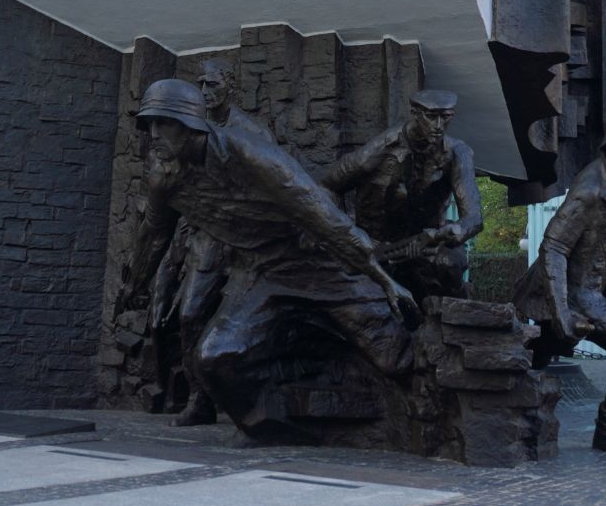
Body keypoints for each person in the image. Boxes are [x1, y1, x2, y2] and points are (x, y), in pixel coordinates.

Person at [124, 78, 417, 443]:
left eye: (162, 123)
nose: (153, 134)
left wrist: (381, 277)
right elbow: (153, 233)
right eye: (149, 124)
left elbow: (321, 214)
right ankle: (279, 430)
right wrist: (135, 285)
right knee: (216, 357)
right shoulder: (163, 174)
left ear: (190, 125)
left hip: (317, 262)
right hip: (259, 271)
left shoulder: (249, 153)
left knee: (394, 357)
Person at [512, 101, 606, 456]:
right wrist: (562, 311)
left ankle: (513, 411)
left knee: (535, 356)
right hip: (572, 293)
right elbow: (553, 247)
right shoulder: (592, 185)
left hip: (593, 292)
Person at [147, 59, 255, 425]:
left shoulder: (248, 131)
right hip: (195, 232)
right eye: (202, 86)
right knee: (174, 307)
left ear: (230, 88)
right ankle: (184, 394)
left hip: (235, 235)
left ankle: (219, 398)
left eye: (212, 85)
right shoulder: (194, 125)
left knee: (206, 315)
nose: (206, 93)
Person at [322, 88, 483, 302]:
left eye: (445, 118)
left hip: (426, 245)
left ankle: (449, 325)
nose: (438, 126)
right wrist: (348, 237)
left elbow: (474, 216)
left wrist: (458, 230)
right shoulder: (381, 149)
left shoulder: (458, 152)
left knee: (450, 265)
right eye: (431, 116)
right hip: (374, 247)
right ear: (415, 113)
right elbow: (328, 186)